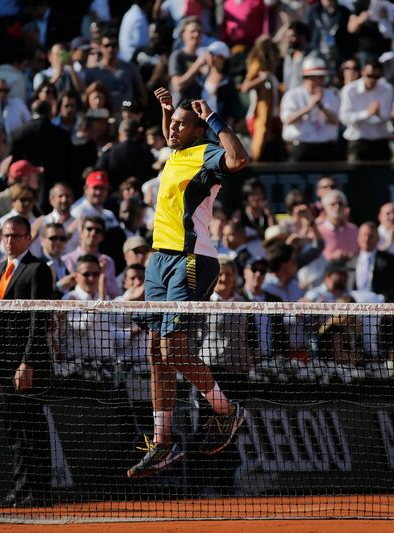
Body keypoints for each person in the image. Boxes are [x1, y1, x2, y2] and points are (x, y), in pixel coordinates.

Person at [127, 89, 249, 479]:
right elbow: (171, 136)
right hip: (159, 259)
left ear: (199, 128)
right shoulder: (177, 152)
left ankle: (227, 411)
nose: (172, 129)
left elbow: (239, 158)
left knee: (174, 350)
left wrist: (213, 118)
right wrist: (168, 114)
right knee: (155, 353)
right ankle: (163, 442)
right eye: (172, 123)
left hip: (193, 259)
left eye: (182, 123)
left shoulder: (208, 153)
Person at [0, 215, 53, 508]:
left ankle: (39, 492)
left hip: (26, 364)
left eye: (16, 236)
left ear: (28, 239)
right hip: (3, 362)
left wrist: (28, 362)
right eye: (6, 236)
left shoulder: (38, 270)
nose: (9, 241)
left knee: (32, 428)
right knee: (13, 429)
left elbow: (40, 319)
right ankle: (21, 490)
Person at [280, 56, 341, 162]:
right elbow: (287, 119)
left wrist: (321, 106)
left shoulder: (330, 95)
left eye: (322, 77)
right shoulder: (293, 95)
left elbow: (336, 121)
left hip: (325, 148)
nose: (320, 81)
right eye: (315, 77)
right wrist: (309, 107)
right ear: (307, 78)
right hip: (300, 147)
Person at [339, 60, 394, 162]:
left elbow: (387, 116)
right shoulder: (349, 90)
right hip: (358, 143)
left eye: (376, 77)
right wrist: (367, 114)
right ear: (363, 72)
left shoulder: (387, 89)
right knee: (357, 177)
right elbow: (345, 118)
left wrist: (378, 113)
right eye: (370, 76)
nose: (373, 80)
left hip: (380, 142)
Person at [347, 222, 394, 302]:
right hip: (354, 307)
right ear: (358, 238)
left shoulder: (390, 260)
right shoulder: (350, 262)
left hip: (381, 308)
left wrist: (385, 298)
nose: (366, 239)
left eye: (370, 236)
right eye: (364, 235)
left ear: (378, 238)